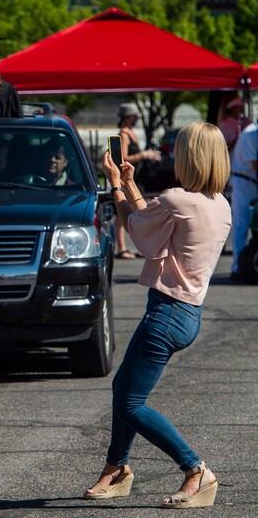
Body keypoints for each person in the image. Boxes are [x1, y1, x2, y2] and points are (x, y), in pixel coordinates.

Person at [85, 121, 231, 509]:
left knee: (130, 402)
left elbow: (139, 230)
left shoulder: (177, 198)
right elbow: (155, 220)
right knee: (123, 390)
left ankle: (196, 470)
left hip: (165, 314)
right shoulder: (220, 205)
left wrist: (115, 185)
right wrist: (131, 185)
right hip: (188, 313)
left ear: (190, 158)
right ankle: (116, 468)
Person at [114, 103, 161, 259]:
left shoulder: (131, 133)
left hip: (136, 176)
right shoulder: (124, 135)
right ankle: (121, 248)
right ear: (127, 117)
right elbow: (124, 157)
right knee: (123, 212)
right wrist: (144, 155)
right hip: (126, 177)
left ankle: (138, 246)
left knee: (137, 209)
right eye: (133, 116)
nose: (135, 119)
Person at [229, 120, 258, 281]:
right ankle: (238, 267)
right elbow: (255, 164)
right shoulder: (251, 134)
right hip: (244, 182)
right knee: (241, 224)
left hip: (251, 182)